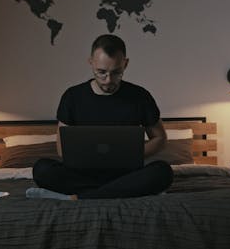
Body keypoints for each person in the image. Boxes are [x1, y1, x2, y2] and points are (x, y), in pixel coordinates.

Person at [26, 34, 173, 200]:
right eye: (101, 72)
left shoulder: (140, 96)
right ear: (91, 63)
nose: (108, 80)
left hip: (125, 175)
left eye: (116, 72)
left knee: (163, 171)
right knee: (42, 169)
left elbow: (160, 138)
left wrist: (129, 155)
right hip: (81, 175)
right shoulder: (72, 96)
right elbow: (62, 148)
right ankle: (110, 193)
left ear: (125, 64)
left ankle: (81, 197)